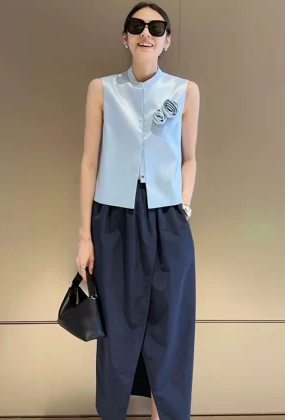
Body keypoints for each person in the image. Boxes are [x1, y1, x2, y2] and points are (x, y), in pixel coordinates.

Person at [75, 2, 200, 419]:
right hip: (113, 219)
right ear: (125, 37)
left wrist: (183, 205)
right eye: (137, 25)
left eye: (156, 27)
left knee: (170, 323)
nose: (146, 33)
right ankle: (113, 411)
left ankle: (165, 414)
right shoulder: (102, 89)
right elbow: (89, 162)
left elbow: (190, 158)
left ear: (167, 41)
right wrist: (84, 236)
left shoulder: (185, 91)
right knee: (117, 325)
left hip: (168, 218)